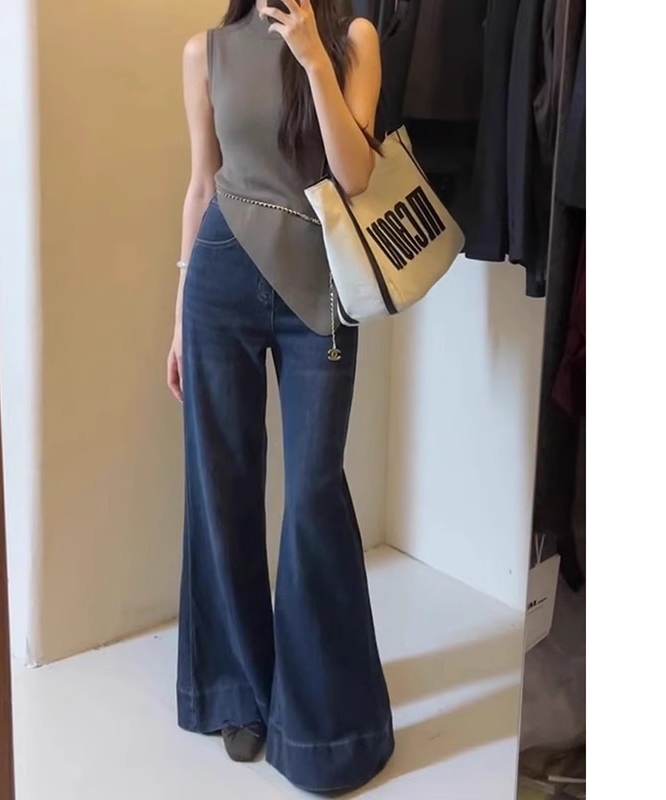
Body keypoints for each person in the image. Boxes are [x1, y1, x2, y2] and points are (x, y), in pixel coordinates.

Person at [166, 0, 393, 792]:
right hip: (219, 281)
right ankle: (236, 693)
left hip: (319, 294)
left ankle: (327, 728)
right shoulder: (205, 52)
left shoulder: (352, 39)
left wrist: (313, 59)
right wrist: (177, 319)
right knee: (220, 486)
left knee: (314, 494)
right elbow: (201, 185)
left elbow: (354, 174)